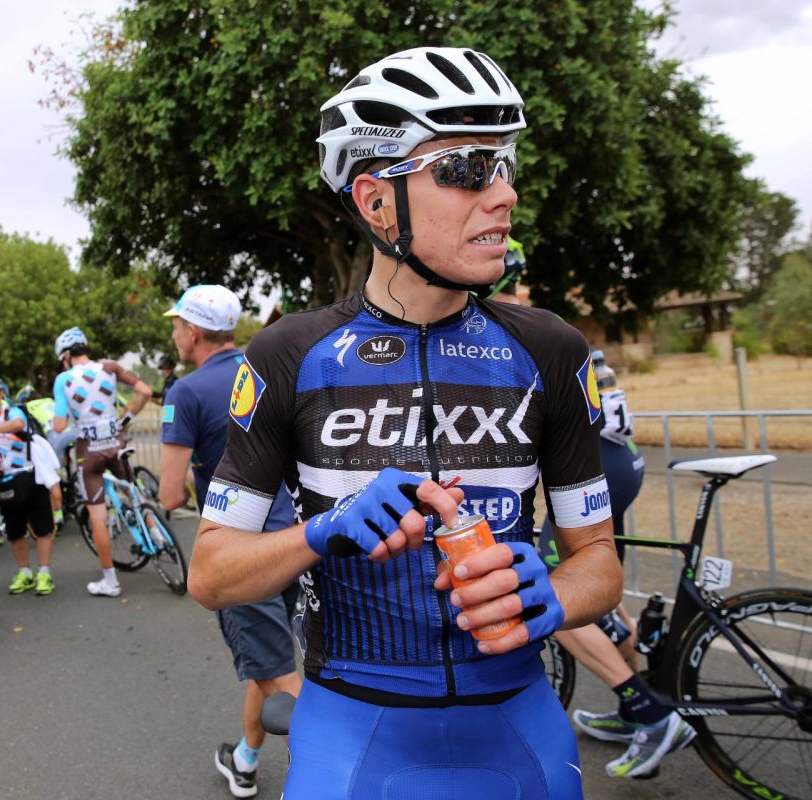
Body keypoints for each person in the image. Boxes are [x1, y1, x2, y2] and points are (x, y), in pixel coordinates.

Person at [187, 47, 622, 798]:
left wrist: (552, 594)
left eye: (505, 165)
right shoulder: (290, 354)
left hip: (520, 721)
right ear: (376, 200)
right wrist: (320, 533)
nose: (504, 194)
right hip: (354, 731)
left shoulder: (549, 349)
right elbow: (210, 574)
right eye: (466, 169)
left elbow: (601, 563)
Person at [157, 285, 302, 798]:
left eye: (177, 327)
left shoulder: (186, 393)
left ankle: (339, 777)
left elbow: (169, 495)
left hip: (241, 551)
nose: (175, 336)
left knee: (281, 678)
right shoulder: (269, 370)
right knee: (267, 664)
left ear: (194, 332)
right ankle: (245, 759)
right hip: (294, 539)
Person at [561, 352, 694, 777]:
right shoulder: (551, 331)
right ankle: (632, 713)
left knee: (553, 596)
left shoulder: (511, 327)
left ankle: (651, 715)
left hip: (598, 465)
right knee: (600, 583)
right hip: (621, 460)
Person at [51, 327, 152, 597]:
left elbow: (59, 425)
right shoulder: (110, 367)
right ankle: (159, 536)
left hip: (89, 451)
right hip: (116, 442)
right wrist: (125, 420)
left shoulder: (63, 379)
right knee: (134, 493)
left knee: (98, 517)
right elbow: (145, 391)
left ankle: (111, 582)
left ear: (66, 356)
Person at [0, 381, 62, 596]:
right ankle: (24, 572)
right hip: (7, 482)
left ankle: (44, 573)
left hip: (31, 476)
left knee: (42, 529)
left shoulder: (13, 412)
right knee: (15, 532)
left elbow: (17, 425)